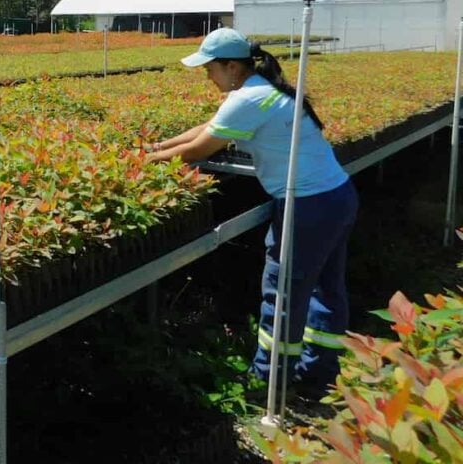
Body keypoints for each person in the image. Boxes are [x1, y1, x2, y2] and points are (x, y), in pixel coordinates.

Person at [146, 27, 358, 394]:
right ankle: (318, 375)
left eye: (209, 69)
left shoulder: (248, 99)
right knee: (326, 290)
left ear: (231, 66)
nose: (207, 77)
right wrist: (161, 144)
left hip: (306, 206)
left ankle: (269, 381)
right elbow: (208, 127)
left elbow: (199, 149)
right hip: (337, 195)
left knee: (284, 293)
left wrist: (144, 160)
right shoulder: (260, 89)